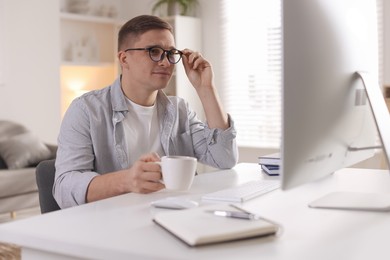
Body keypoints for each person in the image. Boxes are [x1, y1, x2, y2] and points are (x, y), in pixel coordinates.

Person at [53, 15, 238, 209]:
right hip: (110, 223)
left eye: (170, 53)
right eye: (154, 51)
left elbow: (224, 158)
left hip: (173, 217)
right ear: (124, 59)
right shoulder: (85, 111)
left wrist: (205, 88)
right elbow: (64, 188)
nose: (166, 62)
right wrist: (127, 180)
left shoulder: (179, 110)